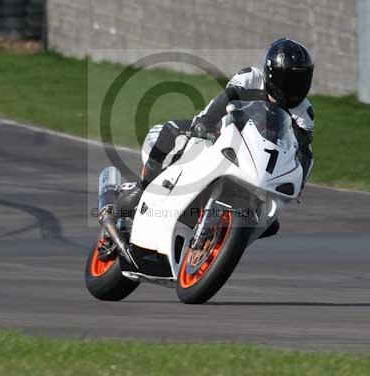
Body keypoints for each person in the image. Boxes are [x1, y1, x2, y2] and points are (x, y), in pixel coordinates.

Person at [118, 38, 315, 238]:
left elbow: (304, 151)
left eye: (301, 81)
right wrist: (204, 122)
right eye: (289, 80)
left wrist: (298, 184)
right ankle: (141, 188)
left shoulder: (304, 112)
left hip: (256, 159)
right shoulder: (251, 77)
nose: (294, 87)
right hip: (217, 132)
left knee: (269, 223)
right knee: (171, 130)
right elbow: (226, 98)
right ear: (272, 74)